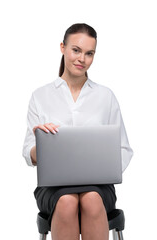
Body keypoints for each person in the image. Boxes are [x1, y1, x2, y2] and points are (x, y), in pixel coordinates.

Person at [22, 23, 133, 240]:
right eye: (76, 50)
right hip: (54, 188)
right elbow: (28, 153)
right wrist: (40, 142)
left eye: (89, 53)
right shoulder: (40, 96)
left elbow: (124, 149)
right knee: (67, 201)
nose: (82, 59)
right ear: (62, 48)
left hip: (98, 187)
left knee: (91, 199)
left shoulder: (105, 96)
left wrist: (106, 167)